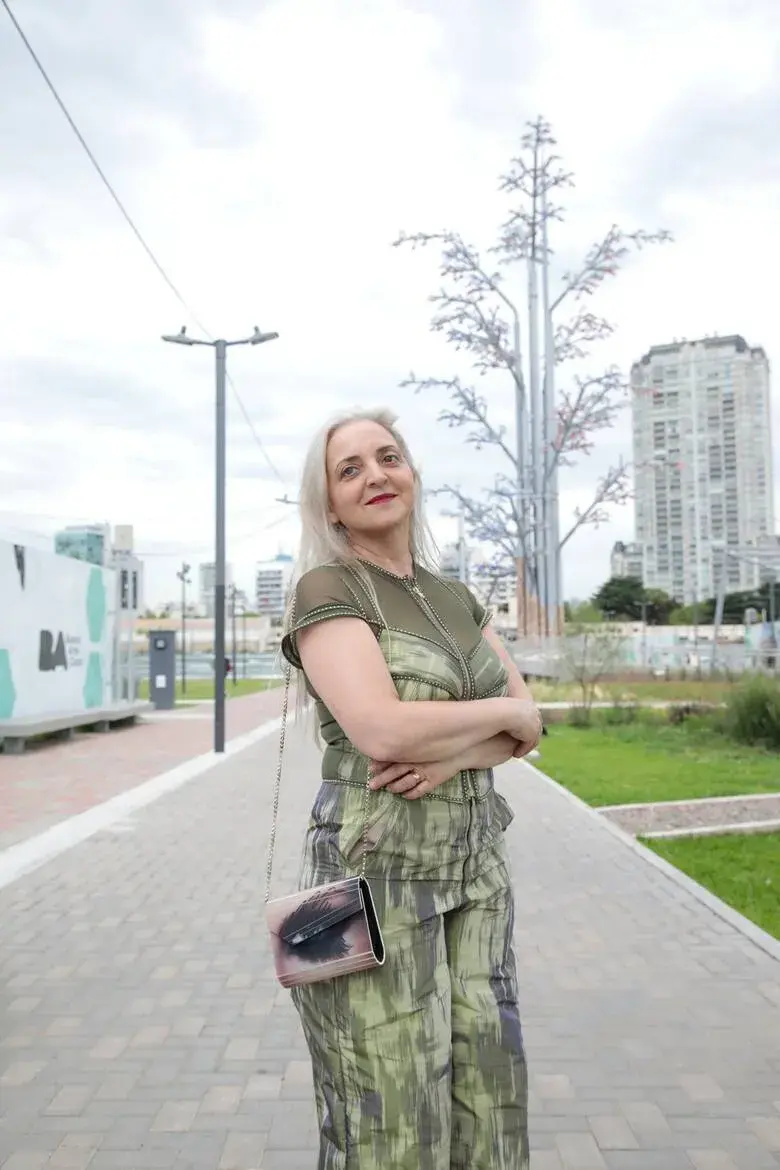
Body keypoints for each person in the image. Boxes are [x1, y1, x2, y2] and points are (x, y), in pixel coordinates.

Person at [280, 408, 542, 1170]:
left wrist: (458, 756)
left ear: (413, 473)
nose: (375, 476)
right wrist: (507, 714)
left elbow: (528, 736)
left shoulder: (454, 595)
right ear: (330, 503)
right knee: (388, 1119)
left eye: (387, 457)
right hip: (373, 880)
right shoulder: (329, 586)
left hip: (477, 873)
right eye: (349, 469)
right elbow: (383, 732)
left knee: (490, 1103)